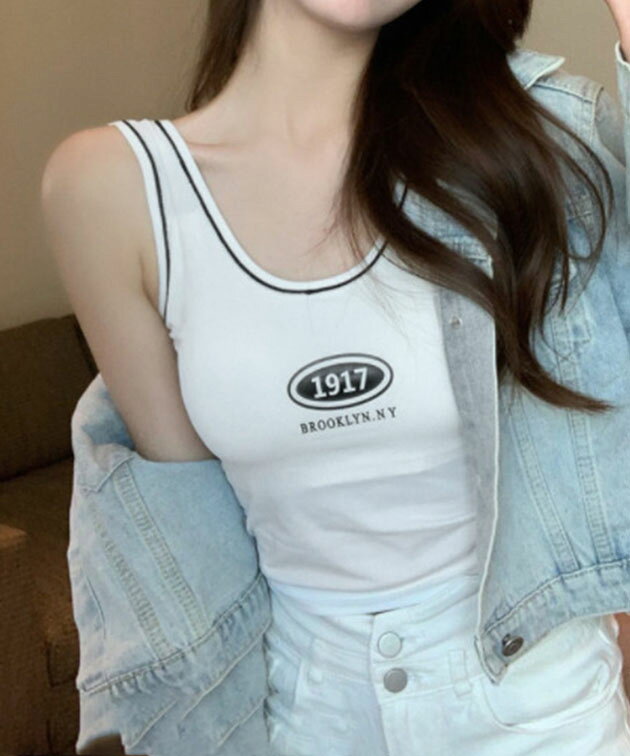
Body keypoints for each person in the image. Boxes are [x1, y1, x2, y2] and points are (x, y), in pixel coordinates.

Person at [41, 0, 630, 753]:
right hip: (300, 714)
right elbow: (192, 541)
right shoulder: (110, 188)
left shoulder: (542, 138)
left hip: (541, 712)